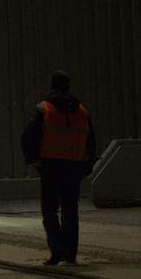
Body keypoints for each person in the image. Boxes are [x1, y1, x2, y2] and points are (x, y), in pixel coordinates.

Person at [21, 70, 97, 265]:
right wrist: (86, 167)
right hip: (74, 168)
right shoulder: (82, 111)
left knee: (50, 211)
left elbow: (28, 137)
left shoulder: (44, 108)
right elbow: (91, 142)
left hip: (50, 167)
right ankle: (71, 254)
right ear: (68, 86)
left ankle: (57, 251)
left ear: (52, 86)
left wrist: (34, 160)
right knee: (71, 211)